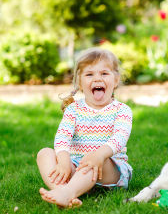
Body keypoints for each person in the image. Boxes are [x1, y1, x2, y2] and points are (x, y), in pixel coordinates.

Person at [36, 47, 133, 208]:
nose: (97, 79)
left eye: (104, 73)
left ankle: (67, 192)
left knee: (94, 161)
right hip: (77, 168)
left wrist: (99, 155)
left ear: (116, 80)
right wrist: (64, 160)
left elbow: (120, 138)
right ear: (79, 83)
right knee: (44, 154)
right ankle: (63, 192)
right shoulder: (73, 110)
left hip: (109, 171)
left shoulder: (122, 110)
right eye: (89, 74)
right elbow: (63, 136)